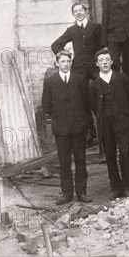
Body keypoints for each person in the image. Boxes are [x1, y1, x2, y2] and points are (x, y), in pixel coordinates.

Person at [42, 51, 92, 204]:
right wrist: (60, 117)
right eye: (62, 61)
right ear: (57, 63)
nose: (66, 64)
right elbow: (47, 105)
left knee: (80, 160)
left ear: (71, 63)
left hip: (78, 128)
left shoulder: (79, 79)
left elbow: (86, 103)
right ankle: (67, 194)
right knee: (64, 162)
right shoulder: (51, 81)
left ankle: (82, 193)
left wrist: (83, 122)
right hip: (61, 128)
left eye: (68, 61)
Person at [89, 49, 129, 199]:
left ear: (111, 62)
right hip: (105, 124)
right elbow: (93, 105)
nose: (104, 63)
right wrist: (103, 116)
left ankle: (127, 187)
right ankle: (115, 188)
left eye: (107, 60)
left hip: (122, 122)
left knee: (125, 153)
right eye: (101, 60)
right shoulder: (94, 84)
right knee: (109, 155)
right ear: (97, 64)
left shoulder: (122, 78)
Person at [51, 2, 101, 81]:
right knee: (80, 92)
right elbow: (55, 45)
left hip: (95, 67)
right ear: (73, 14)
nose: (78, 13)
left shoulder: (96, 27)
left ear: (86, 11)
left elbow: (102, 46)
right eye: (75, 11)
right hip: (79, 68)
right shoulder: (71, 30)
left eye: (80, 10)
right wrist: (67, 56)